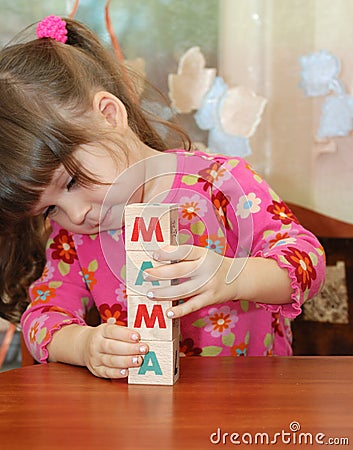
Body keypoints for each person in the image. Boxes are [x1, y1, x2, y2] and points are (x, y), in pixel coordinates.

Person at [0, 15, 325, 379]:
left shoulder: (221, 182)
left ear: (109, 115)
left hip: (253, 400)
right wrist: (84, 345)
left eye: (72, 181)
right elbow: (43, 316)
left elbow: (307, 261)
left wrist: (233, 276)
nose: (75, 216)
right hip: (146, 417)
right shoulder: (73, 237)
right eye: (49, 210)